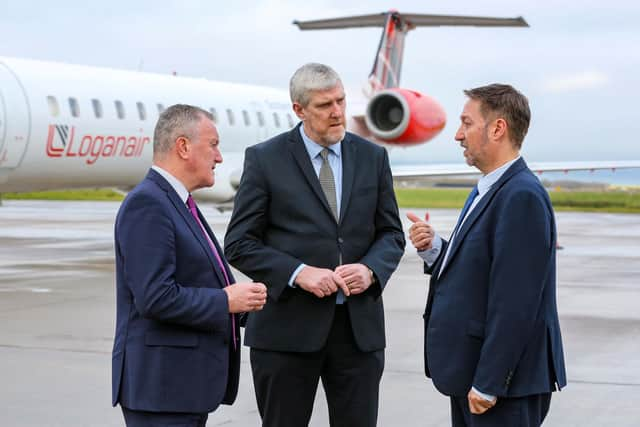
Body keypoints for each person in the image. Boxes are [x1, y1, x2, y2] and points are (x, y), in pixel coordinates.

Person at [224, 63, 405, 427]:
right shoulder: (264, 159)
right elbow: (239, 243)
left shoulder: (372, 157)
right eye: (325, 105)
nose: (337, 112)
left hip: (358, 334)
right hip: (286, 332)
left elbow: (392, 234)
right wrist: (297, 273)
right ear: (299, 109)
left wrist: (370, 269)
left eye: (340, 100)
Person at [407, 84, 567, 426]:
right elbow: (481, 270)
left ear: (497, 128)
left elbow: (516, 302)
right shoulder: (490, 187)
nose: (457, 135)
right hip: (471, 372)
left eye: (466, 123)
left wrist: (490, 382)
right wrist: (436, 249)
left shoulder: (521, 196)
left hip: (500, 386)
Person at [111, 104, 267, 427]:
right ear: (183, 147)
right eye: (213, 145)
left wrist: (247, 305)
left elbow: (197, 280)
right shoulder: (148, 204)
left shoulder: (177, 202)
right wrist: (227, 301)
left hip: (181, 388)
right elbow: (155, 297)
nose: (220, 157)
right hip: (161, 391)